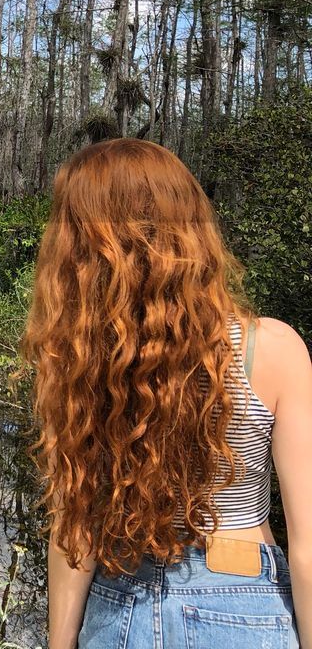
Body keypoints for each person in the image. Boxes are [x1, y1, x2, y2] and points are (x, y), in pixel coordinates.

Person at [21, 138, 312, 649]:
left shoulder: (74, 361)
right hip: (244, 608)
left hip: (117, 610)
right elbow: (309, 547)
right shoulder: (273, 349)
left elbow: (76, 531)